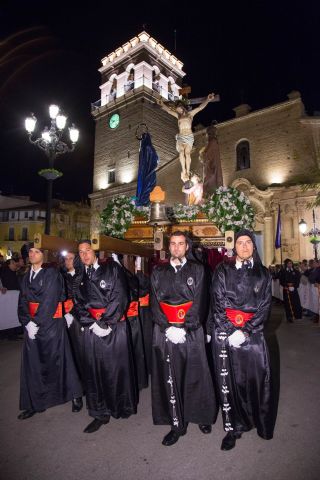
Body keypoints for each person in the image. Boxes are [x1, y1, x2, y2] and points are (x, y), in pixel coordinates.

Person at [207, 229, 276, 451]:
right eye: (240, 243)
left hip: (252, 335)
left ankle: (257, 421)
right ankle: (233, 428)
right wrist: (229, 330)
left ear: (253, 247)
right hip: (225, 335)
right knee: (229, 384)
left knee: (256, 380)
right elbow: (217, 303)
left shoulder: (263, 273)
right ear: (233, 247)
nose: (244, 246)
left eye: (248, 242)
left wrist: (245, 330)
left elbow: (265, 307)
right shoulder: (221, 270)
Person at [151, 230, 217, 446]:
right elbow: (154, 302)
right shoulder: (158, 271)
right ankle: (176, 424)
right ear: (168, 246)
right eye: (173, 244)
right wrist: (166, 327)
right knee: (171, 377)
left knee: (196, 375)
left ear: (187, 246)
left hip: (191, 329)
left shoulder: (198, 269)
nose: (176, 247)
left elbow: (200, 301)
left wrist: (186, 327)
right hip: (166, 332)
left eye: (181, 244)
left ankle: (202, 416)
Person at [72, 240, 137, 433]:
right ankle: (99, 412)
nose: (84, 255)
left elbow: (120, 296)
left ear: (96, 251)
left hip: (113, 327)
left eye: (88, 251)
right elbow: (77, 303)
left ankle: (120, 406)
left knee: (115, 369)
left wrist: (106, 322)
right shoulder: (78, 277)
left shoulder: (112, 269)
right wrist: (91, 323)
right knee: (93, 370)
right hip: (92, 328)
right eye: (81, 252)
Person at [17, 243, 82, 420]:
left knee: (63, 360)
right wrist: (26, 322)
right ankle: (34, 402)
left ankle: (75, 395)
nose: (32, 254)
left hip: (51, 324)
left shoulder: (51, 274)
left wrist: (36, 323)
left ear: (44, 255)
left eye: (36, 251)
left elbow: (49, 301)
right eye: (30, 251)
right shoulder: (25, 277)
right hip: (32, 325)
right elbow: (22, 302)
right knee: (33, 365)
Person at [157, 93, 215, 181]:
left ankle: (187, 171)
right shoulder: (178, 116)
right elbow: (168, 111)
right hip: (181, 136)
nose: (178, 111)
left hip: (189, 136)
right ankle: (183, 170)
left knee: (187, 153)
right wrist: (162, 104)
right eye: (177, 111)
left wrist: (208, 99)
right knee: (181, 152)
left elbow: (200, 108)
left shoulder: (190, 115)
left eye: (179, 110)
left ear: (182, 108)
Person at [61, 251, 84, 412]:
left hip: (82, 320)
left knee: (84, 356)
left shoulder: (83, 275)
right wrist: (65, 313)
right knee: (70, 358)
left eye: (71, 258)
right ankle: (76, 395)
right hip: (66, 321)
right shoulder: (60, 277)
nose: (68, 261)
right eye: (66, 259)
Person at [278, 258, 302, 322]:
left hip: (294, 289)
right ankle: (289, 317)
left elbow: (297, 280)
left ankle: (297, 315)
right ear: (286, 264)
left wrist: (294, 286)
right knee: (287, 303)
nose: (290, 265)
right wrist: (285, 286)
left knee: (295, 302)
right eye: (288, 263)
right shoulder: (283, 271)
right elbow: (281, 280)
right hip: (286, 290)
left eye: (291, 263)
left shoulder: (296, 271)